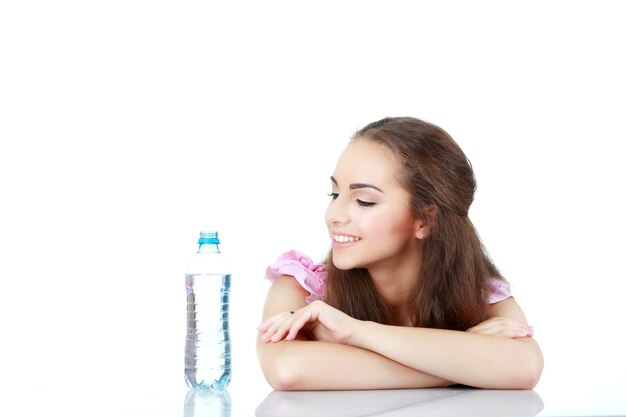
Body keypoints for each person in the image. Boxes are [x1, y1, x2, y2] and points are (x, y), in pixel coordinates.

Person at [257, 116, 543, 390]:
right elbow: (288, 371)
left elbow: (524, 367)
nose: (334, 214)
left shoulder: (479, 293)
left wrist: (356, 332)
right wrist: (461, 363)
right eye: (334, 194)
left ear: (425, 220)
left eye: (364, 201)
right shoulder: (303, 287)